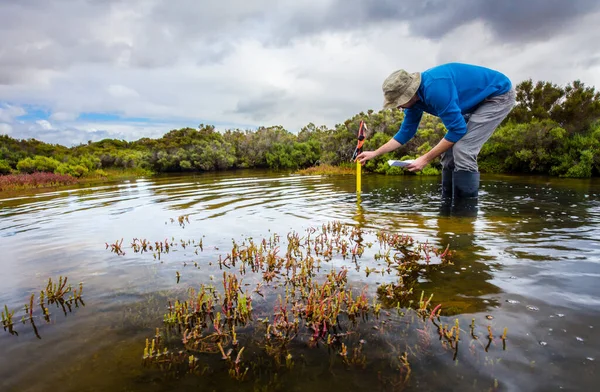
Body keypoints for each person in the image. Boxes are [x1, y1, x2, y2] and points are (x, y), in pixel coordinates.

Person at [356, 62, 516, 199]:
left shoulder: (435, 89)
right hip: (473, 103)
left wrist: (425, 159)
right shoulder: (414, 102)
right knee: (448, 154)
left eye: (399, 101)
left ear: (409, 94)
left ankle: (464, 217)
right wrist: (375, 153)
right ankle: (447, 210)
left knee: (463, 149)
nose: (398, 106)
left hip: (496, 96)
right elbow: (406, 132)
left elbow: (457, 130)